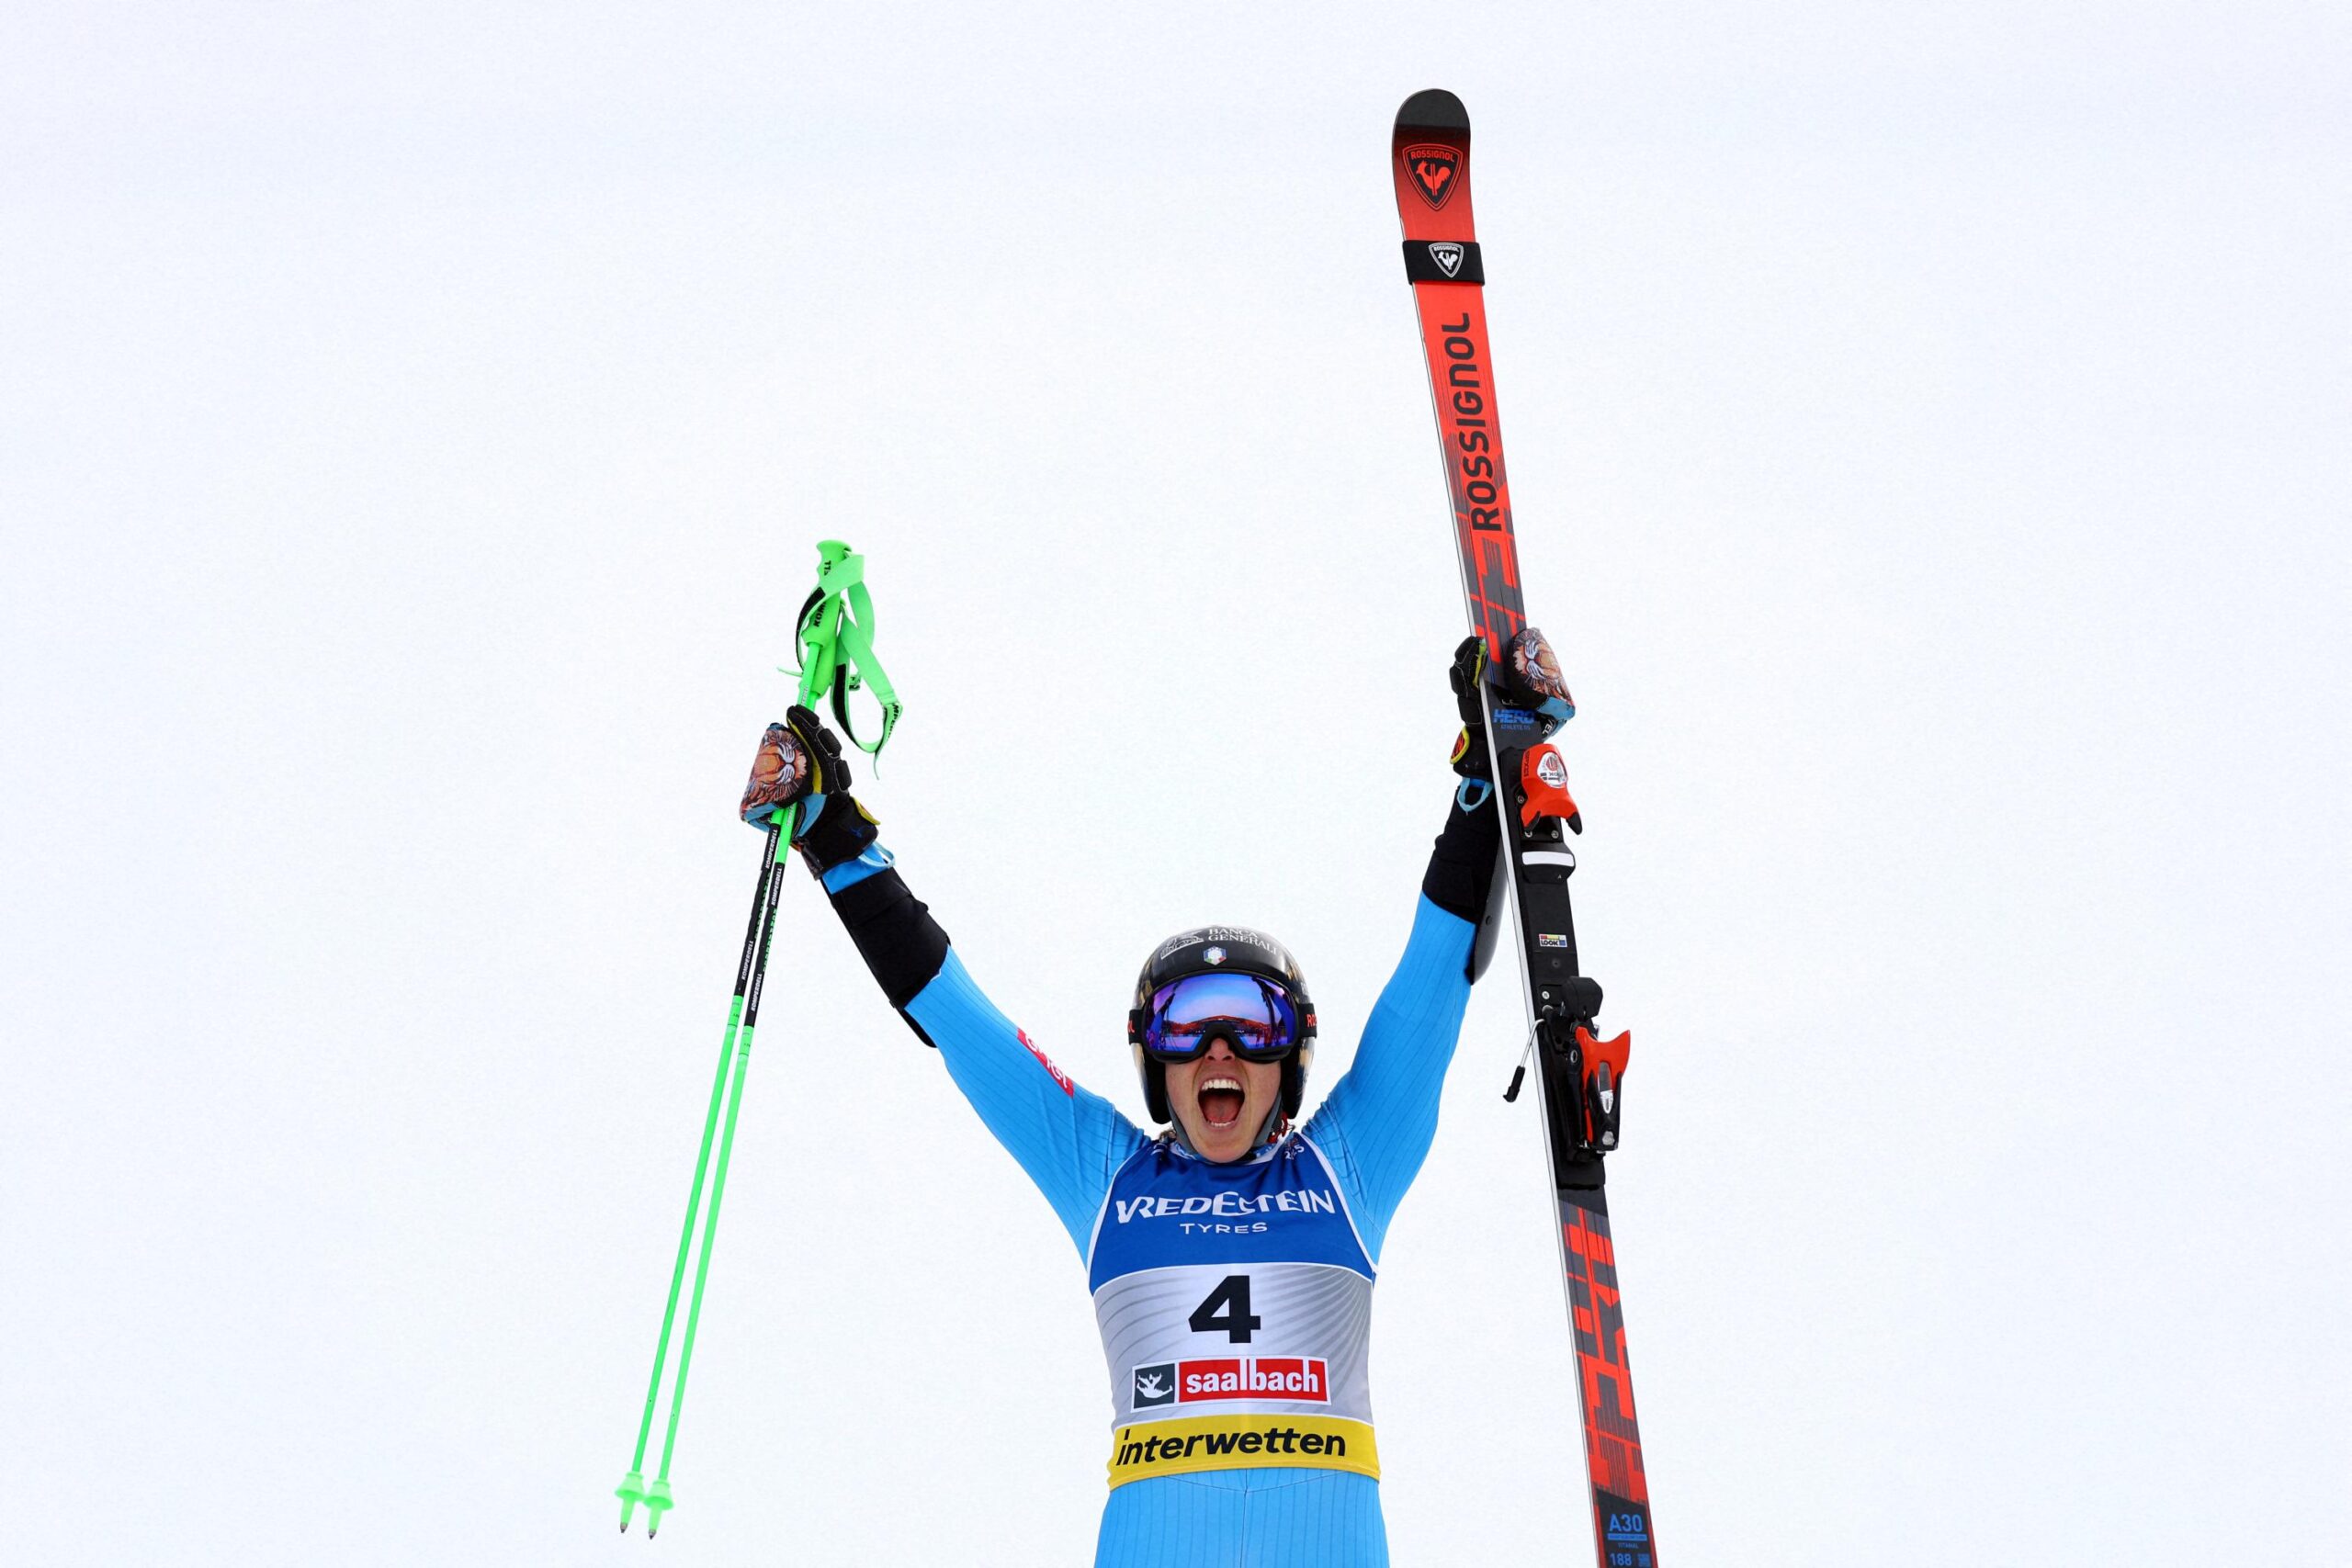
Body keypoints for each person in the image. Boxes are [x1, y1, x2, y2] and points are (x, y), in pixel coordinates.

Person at [750, 640, 1551, 1568]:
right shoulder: (1104, 1172)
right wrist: (835, 836)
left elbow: (1428, 986)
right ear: (1152, 1061)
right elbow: (959, 1020)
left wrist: (1483, 787)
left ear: (1289, 1057)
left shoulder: (1349, 1164)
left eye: (1251, 1025)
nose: (1219, 1051)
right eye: (1186, 1028)